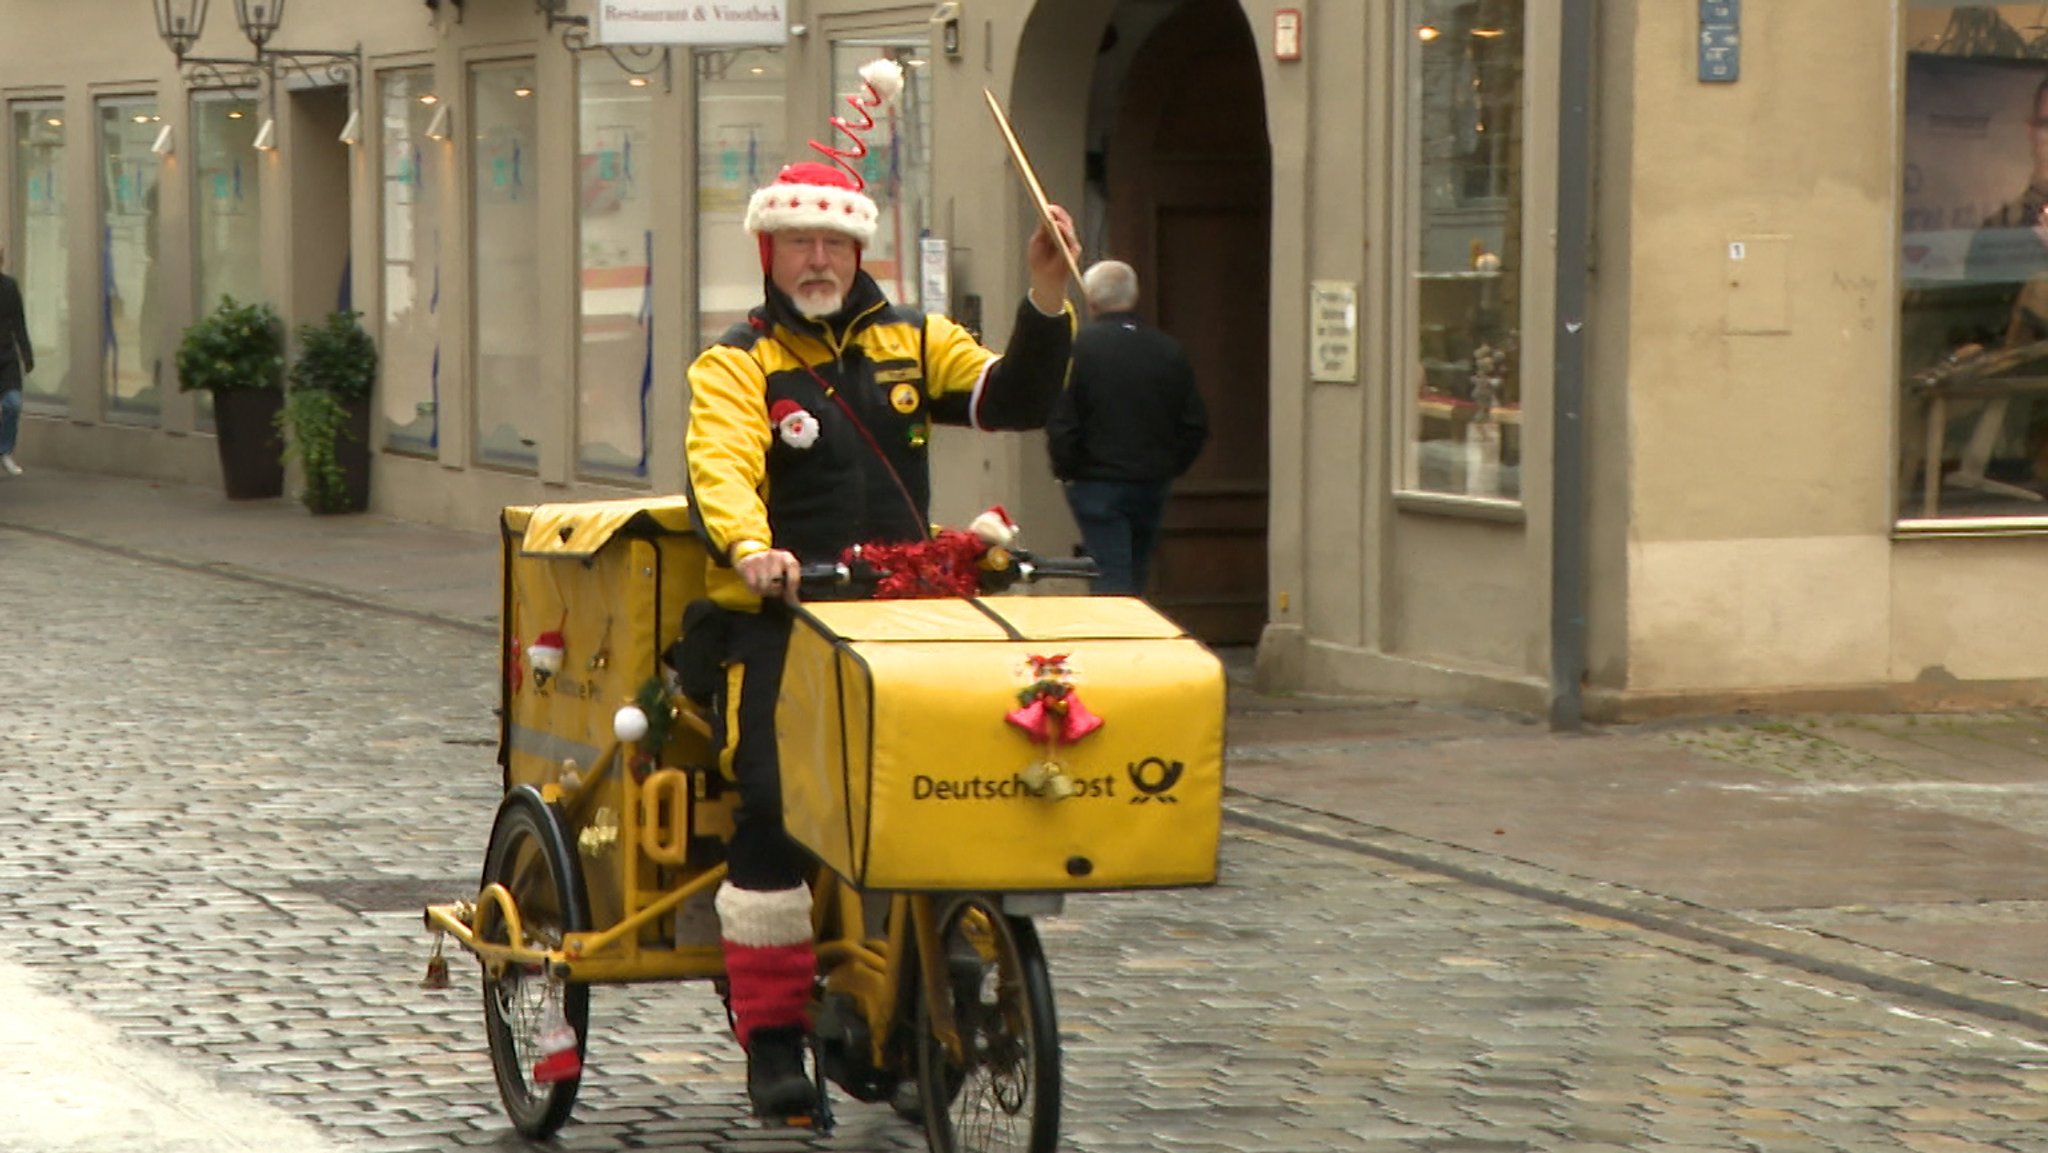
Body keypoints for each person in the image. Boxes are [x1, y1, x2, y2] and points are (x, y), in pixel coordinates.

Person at [680, 58, 1080, 1120]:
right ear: (770, 251)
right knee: (770, 798)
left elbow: (1013, 399)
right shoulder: (736, 364)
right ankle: (770, 1034)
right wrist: (752, 548)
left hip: (905, 611)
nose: (818, 259)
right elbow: (720, 467)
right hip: (784, 614)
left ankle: (931, 973)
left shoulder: (909, 336)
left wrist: (1045, 294)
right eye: (799, 243)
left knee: (952, 776)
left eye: (835, 242)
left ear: (861, 247)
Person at [1045, 260, 1207, 596]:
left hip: (1096, 480)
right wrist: (1169, 466)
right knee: (1137, 570)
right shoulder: (1167, 350)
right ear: (1133, 297)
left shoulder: (1078, 350)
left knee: (1110, 575)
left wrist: (1068, 470)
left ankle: (1116, 641)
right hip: (1151, 481)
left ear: (1091, 301)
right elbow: (1194, 423)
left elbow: (1062, 421)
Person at [0, 244, 32, 476]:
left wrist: (26, 353)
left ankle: (4, 451)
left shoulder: (9, 287)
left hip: (6, 356)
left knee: (12, 403)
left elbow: (19, 322)